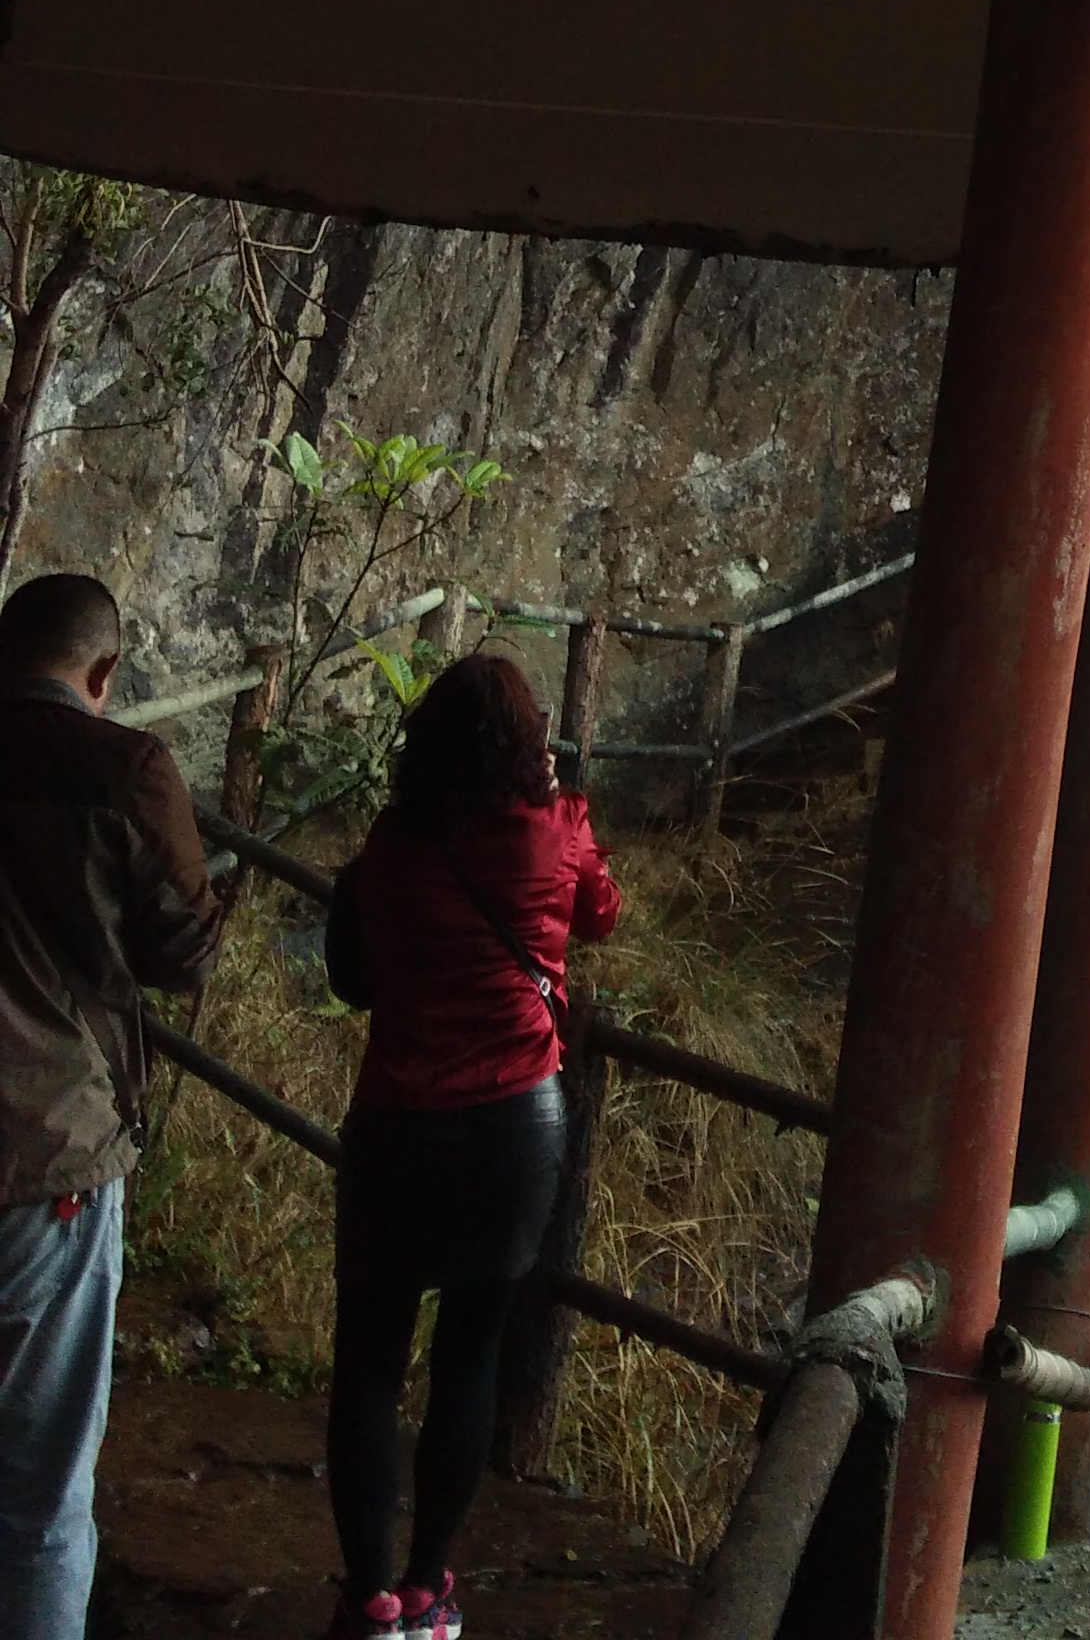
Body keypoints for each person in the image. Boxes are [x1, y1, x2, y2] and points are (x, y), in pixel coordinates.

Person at [318, 654, 619, 1640]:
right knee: (470, 1353)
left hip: (397, 1124)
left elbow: (354, 979)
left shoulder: (392, 847)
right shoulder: (555, 828)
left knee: (367, 1361)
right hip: (510, 1131)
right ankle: (429, 1590)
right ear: (529, 744)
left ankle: (367, 1599)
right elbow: (602, 917)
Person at [0, 570, 223, 1640]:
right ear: (104, 672)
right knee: (40, 1492)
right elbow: (188, 953)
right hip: (49, 1157)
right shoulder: (124, 768)